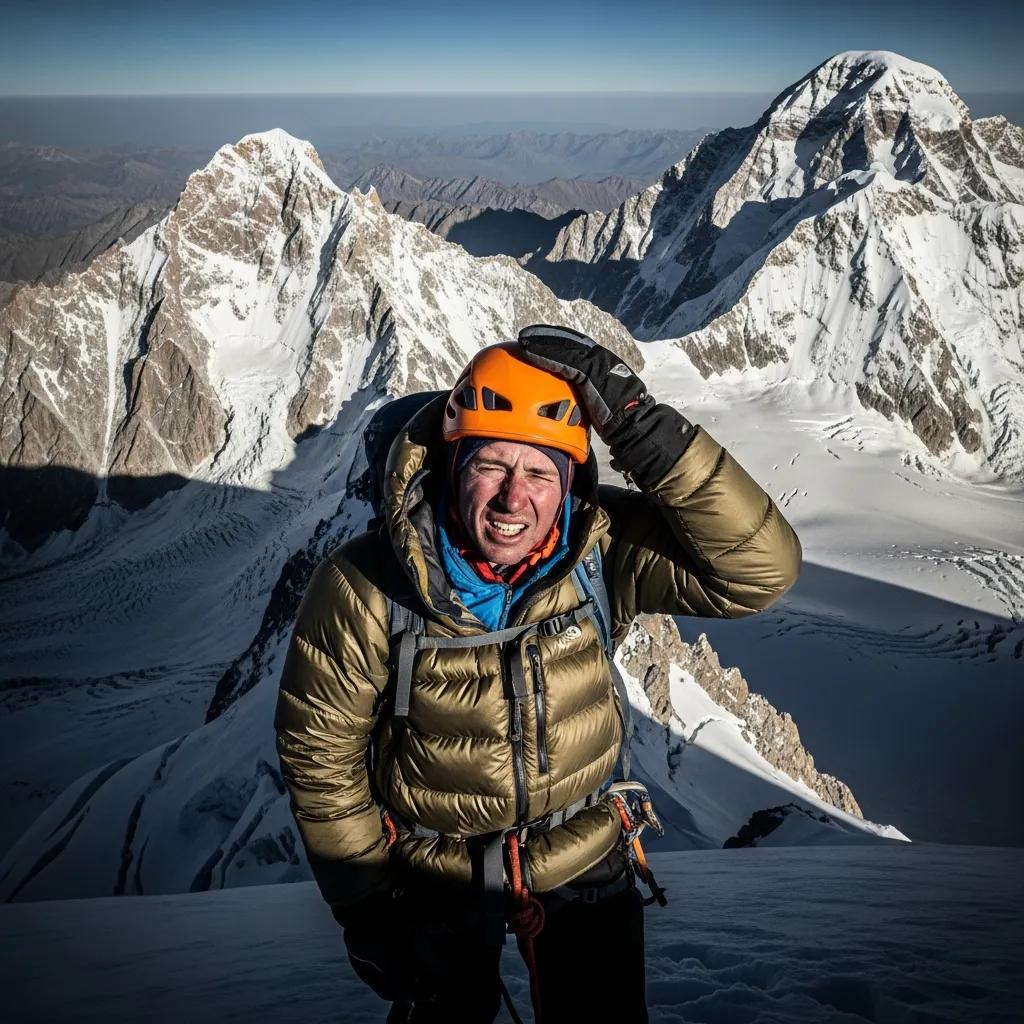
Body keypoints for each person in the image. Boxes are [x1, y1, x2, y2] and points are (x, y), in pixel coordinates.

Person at [275, 325, 802, 1023]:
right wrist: (367, 908)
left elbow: (758, 570)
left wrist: (638, 424)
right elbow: (321, 757)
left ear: (571, 483)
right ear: (452, 464)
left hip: (583, 854)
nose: (512, 498)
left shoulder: (599, 551)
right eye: (491, 465)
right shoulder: (367, 585)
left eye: (540, 473)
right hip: (437, 877)